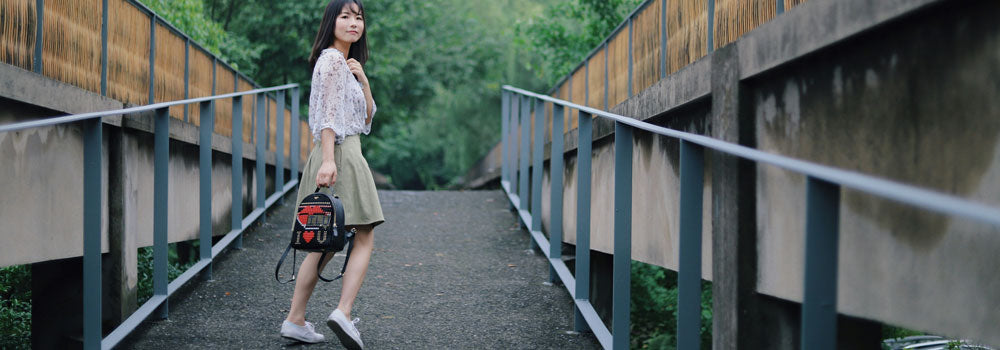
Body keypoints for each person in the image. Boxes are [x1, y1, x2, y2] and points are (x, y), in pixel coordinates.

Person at [280, 0, 382, 348]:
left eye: (359, 18)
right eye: (345, 16)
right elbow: (328, 117)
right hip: (340, 152)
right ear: (331, 21)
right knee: (363, 235)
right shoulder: (332, 60)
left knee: (324, 242)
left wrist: (364, 80)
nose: (353, 23)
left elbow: (366, 120)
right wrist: (328, 159)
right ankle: (343, 311)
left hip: (343, 151)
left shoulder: (345, 64)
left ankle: (295, 319)